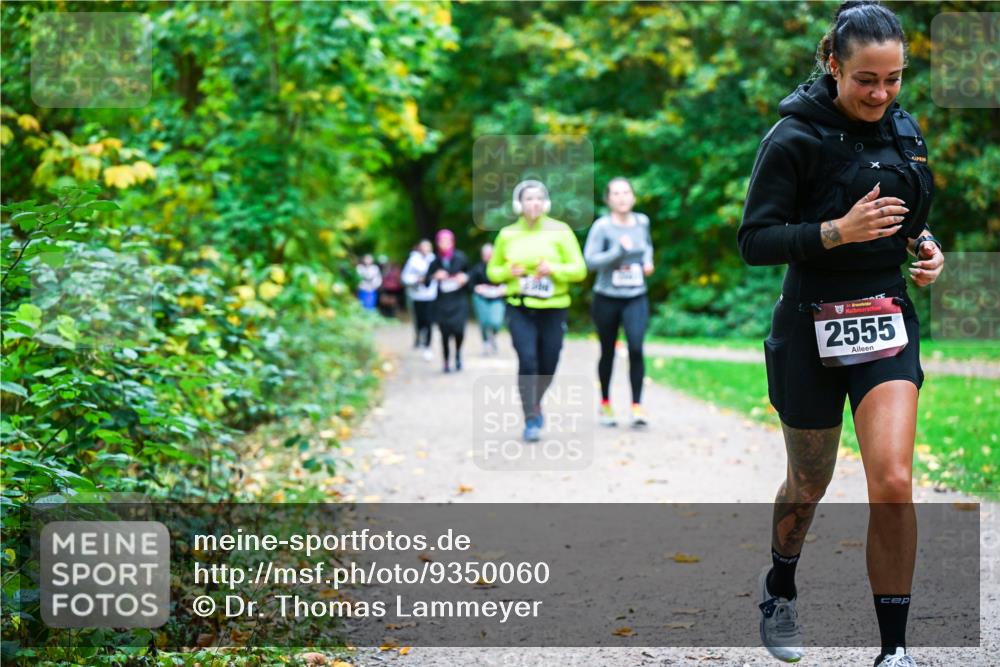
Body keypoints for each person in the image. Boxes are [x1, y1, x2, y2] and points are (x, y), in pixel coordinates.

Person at [737, 2, 943, 665]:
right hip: (811, 327)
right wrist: (836, 232)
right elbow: (754, 240)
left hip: (885, 320)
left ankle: (894, 650)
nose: (881, 95)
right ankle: (780, 584)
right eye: (866, 80)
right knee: (807, 485)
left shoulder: (904, 131)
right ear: (834, 65)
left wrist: (926, 247)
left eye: (893, 79)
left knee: (894, 479)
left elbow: (909, 218)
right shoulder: (792, 137)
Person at [487, 179, 587, 442]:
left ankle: (536, 401)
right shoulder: (507, 235)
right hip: (519, 306)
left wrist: (554, 269)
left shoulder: (561, 231)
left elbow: (579, 270)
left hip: (554, 307)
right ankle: (530, 418)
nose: (534, 204)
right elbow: (492, 271)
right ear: (518, 204)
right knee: (527, 359)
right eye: (529, 199)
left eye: (539, 198)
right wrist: (508, 271)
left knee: (548, 363)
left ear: (546, 203)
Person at [583, 177, 654, 428]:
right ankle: (605, 403)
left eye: (626, 192)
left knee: (636, 347)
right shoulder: (602, 227)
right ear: (608, 199)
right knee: (608, 351)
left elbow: (646, 247)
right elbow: (590, 261)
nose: (622, 197)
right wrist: (617, 252)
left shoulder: (642, 221)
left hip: (635, 295)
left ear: (633, 197)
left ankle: (637, 406)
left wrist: (648, 261)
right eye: (616, 193)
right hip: (607, 298)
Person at [425, 229, 470, 373]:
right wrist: (434, 276)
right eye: (441, 241)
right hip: (442, 303)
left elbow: (471, 276)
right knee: (444, 333)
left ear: (452, 242)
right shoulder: (434, 261)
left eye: (447, 241)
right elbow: (426, 281)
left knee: (459, 331)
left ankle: (457, 355)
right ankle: (445, 361)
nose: (444, 244)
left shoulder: (461, 258)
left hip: (459, 302)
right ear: (437, 243)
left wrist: (464, 278)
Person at [468, 243, 507, 355]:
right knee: (484, 322)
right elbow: (471, 284)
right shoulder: (477, 268)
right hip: (481, 298)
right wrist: (477, 288)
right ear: (482, 255)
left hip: (497, 298)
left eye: (491, 254)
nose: (489, 257)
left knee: (496, 322)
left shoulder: (500, 268)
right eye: (486, 255)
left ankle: (492, 337)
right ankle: (486, 342)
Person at [402, 240, 438, 360]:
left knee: (429, 321)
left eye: (428, 247)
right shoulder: (413, 260)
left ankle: (428, 346)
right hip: (417, 296)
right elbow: (405, 277)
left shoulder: (434, 259)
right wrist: (417, 279)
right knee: (420, 321)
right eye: (424, 247)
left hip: (431, 295)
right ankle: (419, 337)